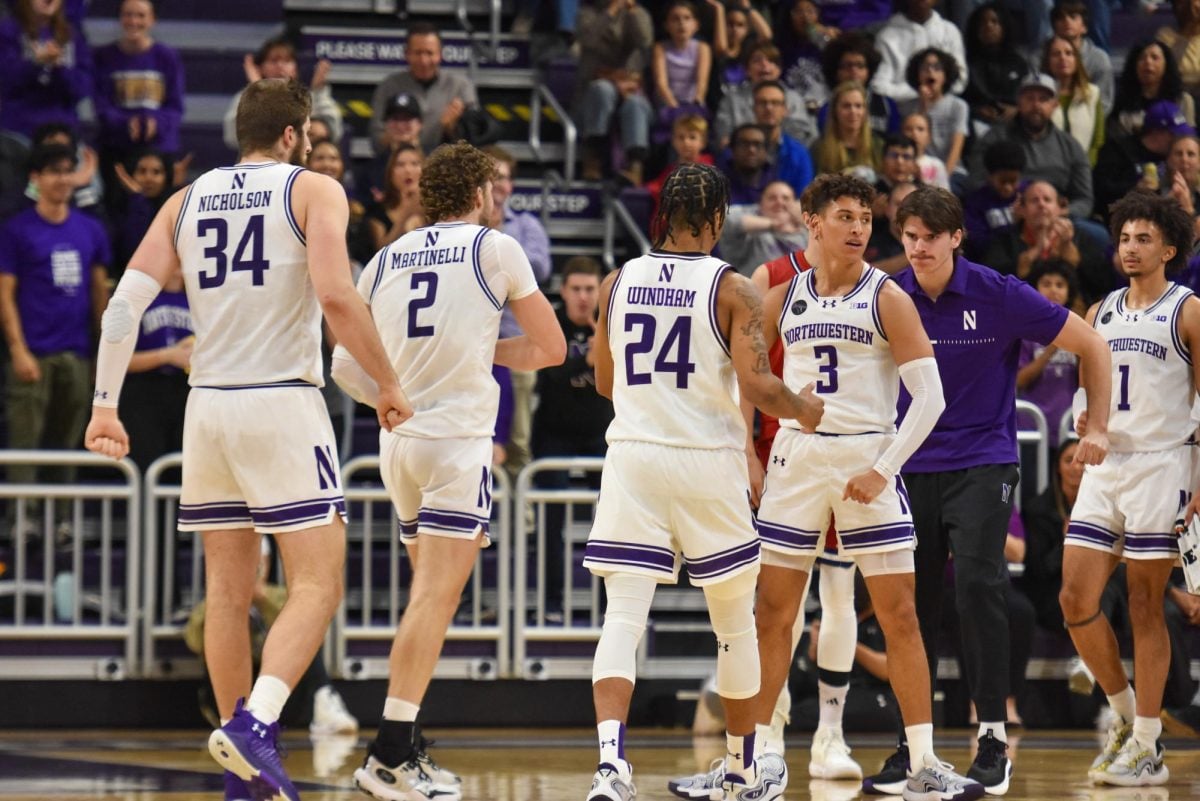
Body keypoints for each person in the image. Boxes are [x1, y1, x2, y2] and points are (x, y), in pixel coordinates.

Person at [83, 78, 413, 801]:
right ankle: (257, 724)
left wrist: (105, 405)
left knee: (227, 592)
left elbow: (121, 308)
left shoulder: (185, 199)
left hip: (209, 410)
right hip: (281, 402)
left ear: (241, 133)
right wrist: (389, 381)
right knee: (319, 580)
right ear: (295, 134)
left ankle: (245, 772)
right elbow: (334, 295)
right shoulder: (314, 191)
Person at [330, 142, 566, 801]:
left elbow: (346, 369)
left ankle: (408, 742)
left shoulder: (386, 257)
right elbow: (549, 348)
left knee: (425, 600)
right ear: (481, 195)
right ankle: (389, 753)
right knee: (435, 599)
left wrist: (388, 391)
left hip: (399, 443)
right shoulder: (495, 248)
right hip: (459, 441)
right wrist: (486, 348)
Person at [581, 162, 822, 801]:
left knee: (624, 616)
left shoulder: (616, 281)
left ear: (662, 216)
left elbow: (604, 383)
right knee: (734, 624)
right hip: (705, 461)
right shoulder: (734, 289)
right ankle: (743, 769)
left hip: (634, 454)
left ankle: (611, 768)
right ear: (716, 220)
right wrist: (804, 409)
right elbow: (761, 387)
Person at [880, 186, 1112, 796]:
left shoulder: (998, 293)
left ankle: (991, 736)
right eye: (910, 237)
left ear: (956, 237)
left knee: (979, 583)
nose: (919, 247)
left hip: (984, 458)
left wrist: (1098, 420)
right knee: (913, 601)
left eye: (931, 236)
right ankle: (915, 742)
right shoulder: (888, 296)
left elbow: (1091, 343)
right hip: (908, 464)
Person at [1059, 189, 1200, 787]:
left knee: (1146, 604)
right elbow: (1086, 392)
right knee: (1074, 599)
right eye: (1124, 238)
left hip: (1165, 464)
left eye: (1144, 238)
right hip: (1107, 466)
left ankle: (1147, 743)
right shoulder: (1100, 311)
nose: (1131, 248)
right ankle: (1124, 715)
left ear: (1170, 248)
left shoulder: (1187, 310)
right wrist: (1084, 428)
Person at [0, 143, 109, 520]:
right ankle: (21, 521)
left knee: (68, 442)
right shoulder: (16, 230)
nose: (62, 179)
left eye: (67, 171)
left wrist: (103, 353)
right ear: (35, 178)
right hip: (33, 353)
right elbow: (5, 293)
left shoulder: (90, 230)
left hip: (76, 352)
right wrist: (17, 349)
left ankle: (61, 520)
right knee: (25, 441)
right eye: (53, 171)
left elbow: (99, 294)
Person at [531, 256, 613, 619]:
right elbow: (547, 376)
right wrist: (586, 360)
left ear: (599, 292)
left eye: (589, 289)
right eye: (576, 289)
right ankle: (550, 603)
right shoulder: (551, 325)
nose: (583, 297)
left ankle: (607, 606)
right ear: (563, 291)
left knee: (611, 525)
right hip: (555, 434)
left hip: (601, 434)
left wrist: (602, 349)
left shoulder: (614, 326)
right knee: (551, 525)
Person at [484, 144, 553, 478]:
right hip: (472, 348)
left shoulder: (525, 225)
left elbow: (540, 269)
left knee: (518, 441)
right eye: (493, 176)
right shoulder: (463, 226)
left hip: (516, 344)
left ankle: (522, 523)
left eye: (505, 178)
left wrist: (499, 245)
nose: (499, 185)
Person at [969, 72, 1096, 222]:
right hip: (1007, 215)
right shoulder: (994, 138)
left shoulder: (1071, 146)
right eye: (1030, 98)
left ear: (1055, 105)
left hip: (1057, 218)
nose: (1036, 105)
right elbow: (975, 182)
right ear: (1019, 103)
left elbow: (1085, 199)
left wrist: (1061, 212)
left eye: (1043, 99)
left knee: (1098, 235)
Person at [92, 0, 185, 183]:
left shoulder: (168, 57)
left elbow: (175, 106)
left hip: (159, 147)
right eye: (128, 15)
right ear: (120, 18)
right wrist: (125, 123)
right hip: (116, 147)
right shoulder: (103, 56)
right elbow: (101, 105)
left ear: (152, 20)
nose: (134, 21)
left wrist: (156, 123)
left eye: (141, 15)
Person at [982, 179, 1112, 305]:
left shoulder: (1082, 237)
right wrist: (1025, 261)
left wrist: (1076, 259)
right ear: (1021, 209)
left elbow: (1103, 284)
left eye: (1047, 200)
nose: (1041, 204)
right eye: (1034, 200)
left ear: (1061, 208)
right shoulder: (1004, 241)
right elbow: (989, 285)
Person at [370, 23, 479, 158]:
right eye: (417, 53)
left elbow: (475, 141)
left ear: (440, 54)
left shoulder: (461, 86)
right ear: (407, 53)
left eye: (429, 53)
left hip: (448, 165)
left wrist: (451, 129)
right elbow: (376, 141)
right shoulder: (389, 86)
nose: (424, 60)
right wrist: (396, 134)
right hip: (399, 164)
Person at [575, 0, 654, 185]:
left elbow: (645, 40)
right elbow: (589, 39)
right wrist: (611, 10)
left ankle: (634, 166)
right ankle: (592, 158)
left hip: (632, 87)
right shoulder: (587, 12)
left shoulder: (638, 13)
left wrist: (632, 11)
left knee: (635, 103)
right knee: (602, 89)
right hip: (591, 93)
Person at [223, 36, 340, 152]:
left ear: (295, 68)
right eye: (273, 60)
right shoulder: (245, 98)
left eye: (287, 61)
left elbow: (334, 131)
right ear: (261, 68)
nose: (280, 65)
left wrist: (319, 91)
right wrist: (258, 92)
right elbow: (233, 137)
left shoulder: (307, 97)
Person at [1094, 100, 1196, 227]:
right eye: (1174, 134)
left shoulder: (1172, 155)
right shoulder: (1117, 150)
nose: (1177, 139)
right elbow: (1101, 190)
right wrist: (1135, 189)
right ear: (1159, 133)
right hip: (1121, 222)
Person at [0, 0, 92, 140]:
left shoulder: (73, 36)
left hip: (64, 132)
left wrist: (59, 68)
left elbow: (82, 89)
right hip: (19, 131)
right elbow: (7, 81)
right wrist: (35, 64)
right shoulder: (8, 31)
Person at [1018, 261, 1081, 444]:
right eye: (1046, 284)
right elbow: (1019, 381)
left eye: (1060, 285)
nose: (1054, 290)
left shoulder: (1079, 329)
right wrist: (1051, 349)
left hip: (1069, 427)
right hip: (1033, 428)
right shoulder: (1024, 331)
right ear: (1034, 289)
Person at [712, 41, 818, 151]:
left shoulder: (794, 98)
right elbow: (723, 138)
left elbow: (801, 136)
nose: (764, 65)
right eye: (757, 61)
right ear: (747, 70)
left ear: (779, 70)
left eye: (771, 61)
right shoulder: (731, 100)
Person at [872, 0, 967, 103]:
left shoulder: (950, 31)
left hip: (944, 107)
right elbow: (879, 86)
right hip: (904, 110)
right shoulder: (887, 36)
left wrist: (937, 90)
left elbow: (960, 79)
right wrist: (919, 90)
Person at [817, 32, 901, 138]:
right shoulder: (827, 110)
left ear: (869, 70)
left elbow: (894, 143)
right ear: (836, 71)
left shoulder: (886, 105)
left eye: (860, 66)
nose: (854, 71)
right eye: (847, 66)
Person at [718, 179, 807, 276]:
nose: (779, 202)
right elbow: (725, 219)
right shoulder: (750, 236)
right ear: (760, 204)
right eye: (772, 198)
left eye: (785, 198)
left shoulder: (806, 233)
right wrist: (774, 224)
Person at [1109, 39, 1196, 139]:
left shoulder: (1183, 101)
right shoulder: (1122, 104)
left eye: (1154, 58)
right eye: (1142, 58)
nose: (1148, 62)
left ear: (1166, 65)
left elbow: (1190, 141)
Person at [901, 48, 968, 176]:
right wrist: (923, 106)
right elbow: (912, 144)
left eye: (937, 68)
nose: (930, 72)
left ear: (945, 75)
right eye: (925, 68)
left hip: (951, 171)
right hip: (916, 170)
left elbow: (956, 147)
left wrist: (943, 178)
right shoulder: (907, 107)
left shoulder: (958, 106)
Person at [962, 3, 1028, 130]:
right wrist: (977, 110)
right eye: (983, 22)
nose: (989, 26)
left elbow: (1027, 96)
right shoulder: (967, 63)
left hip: (1015, 123)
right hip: (978, 123)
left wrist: (1017, 110)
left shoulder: (1018, 63)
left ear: (1004, 27)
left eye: (995, 21)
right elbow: (960, 101)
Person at [1045, 34, 1105, 167]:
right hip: (1048, 170)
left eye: (1068, 53)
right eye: (1056, 54)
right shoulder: (1040, 95)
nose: (1063, 58)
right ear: (1047, 61)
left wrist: (1085, 168)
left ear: (1076, 59)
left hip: (1084, 170)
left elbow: (1097, 139)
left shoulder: (1092, 93)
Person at [962, 140, 1024, 261]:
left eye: (1013, 181)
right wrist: (1013, 225)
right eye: (1002, 181)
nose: (1008, 187)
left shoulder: (1028, 195)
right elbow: (980, 245)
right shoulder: (975, 203)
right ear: (989, 176)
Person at [751, 80, 814, 199]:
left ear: (785, 110)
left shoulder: (800, 154)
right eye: (762, 103)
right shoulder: (736, 150)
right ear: (753, 108)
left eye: (775, 103)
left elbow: (804, 200)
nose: (768, 108)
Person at [1051, 1, 1114, 116]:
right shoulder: (1040, 57)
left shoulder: (1099, 59)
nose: (1067, 21)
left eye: (1073, 17)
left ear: (1084, 27)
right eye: (1061, 18)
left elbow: (1104, 103)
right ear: (1054, 27)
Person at [651, 1, 711, 120]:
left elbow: (702, 83)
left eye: (687, 18)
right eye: (675, 19)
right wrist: (675, 108)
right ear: (666, 25)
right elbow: (661, 84)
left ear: (696, 25)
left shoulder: (702, 48)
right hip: (667, 104)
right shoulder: (660, 48)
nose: (681, 23)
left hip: (693, 103)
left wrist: (696, 105)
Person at [810, 82, 881, 178]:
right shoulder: (819, 148)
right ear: (835, 111)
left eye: (858, 106)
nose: (853, 111)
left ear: (865, 111)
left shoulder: (878, 145)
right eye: (846, 106)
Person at [364, 143, 425, 252]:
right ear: (390, 173)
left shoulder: (436, 209)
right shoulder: (377, 211)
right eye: (400, 165)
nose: (408, 170)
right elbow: (381, 252)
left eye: (415, 164)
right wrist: (406, 214)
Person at [901, 111, 947, 189]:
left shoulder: (936, 165)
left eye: (920, 129)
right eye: (909, 129)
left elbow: (945, 197)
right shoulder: (897, 161)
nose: (914, 133)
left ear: (929, 136)